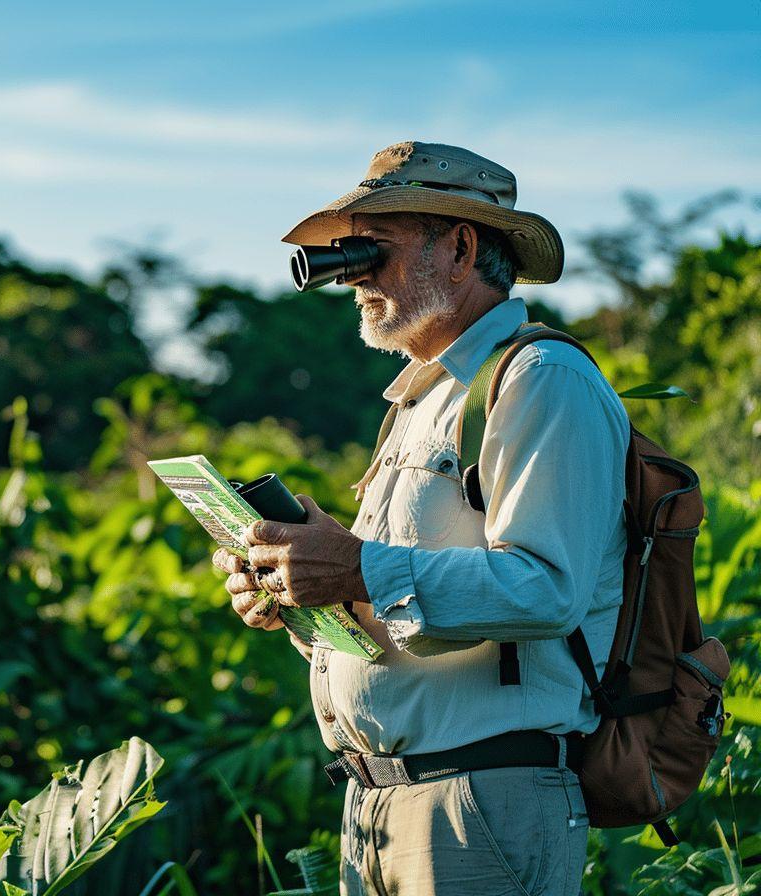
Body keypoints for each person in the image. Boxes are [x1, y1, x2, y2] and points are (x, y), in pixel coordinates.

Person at [213, 142, 629, 896]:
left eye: (371, 250)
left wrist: (359, 567)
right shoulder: (420, 400)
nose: (354, 275)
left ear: (463, 249)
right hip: (378, 804)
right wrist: (301, 589)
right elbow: (403, 600)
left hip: (481, 803)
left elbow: (547, 589)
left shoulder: (542, 379)